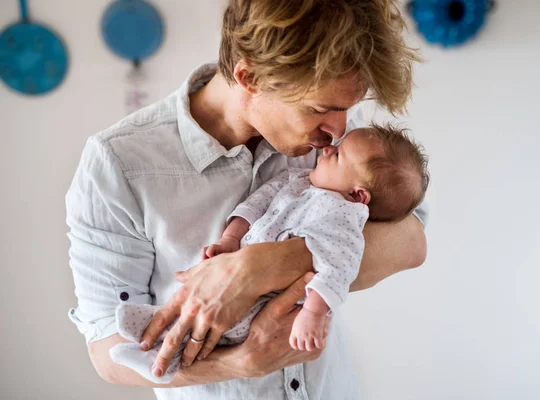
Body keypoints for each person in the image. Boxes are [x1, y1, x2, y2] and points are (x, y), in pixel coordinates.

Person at [66, 1, 429, 399]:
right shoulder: (119, 164)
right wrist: (240, 362)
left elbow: (410, 242)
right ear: (250, 77)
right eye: (321, 109)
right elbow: (107, 352)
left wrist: (261, 267)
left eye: (347, 109)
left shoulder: (336, 145)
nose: (338, 130)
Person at [108, 125, 429, 383]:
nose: (329, 145)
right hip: (238, 267)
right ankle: (152, 345)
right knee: (192, 313)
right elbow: (256, 204)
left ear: (357, 194)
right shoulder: (297, 180)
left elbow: (337, 268)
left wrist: (313, 313)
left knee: (215, 327)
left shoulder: (345, 218)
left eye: (338, 154)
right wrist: (231, 240)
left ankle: (159, 358)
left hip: (268, 301)